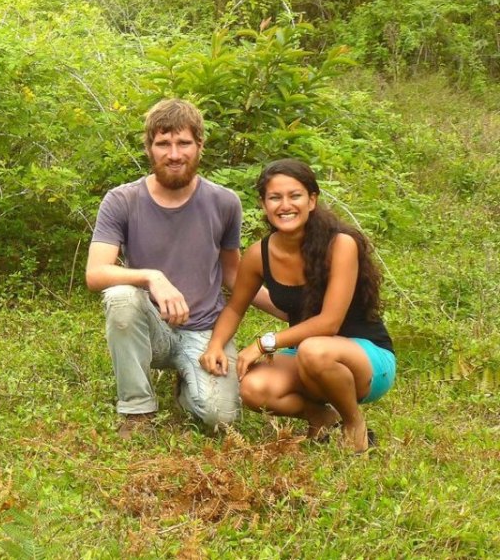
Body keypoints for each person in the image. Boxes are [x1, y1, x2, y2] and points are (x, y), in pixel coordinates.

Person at [86, 99, 279, 437]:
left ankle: (187, 387)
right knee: (120, 296)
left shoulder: (224, 202)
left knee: (219, 418)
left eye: (183, 143)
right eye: (163, 144)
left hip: (204, 331)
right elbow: (96, 273)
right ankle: (137, 410)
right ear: (149, 149)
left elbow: (233, 274)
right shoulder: (122, 200)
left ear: (200, 146)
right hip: (151, 329)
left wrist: (292, 310)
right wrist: (151, 276)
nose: (174, 154)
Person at [199, 158, 396, 453]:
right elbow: (235, 308)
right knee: (252, 387)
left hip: (364, 357)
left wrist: (265, 343)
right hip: (306, 354)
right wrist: (215, 345)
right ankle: (320, 416)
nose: (285, 205)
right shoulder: (258, 254)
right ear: (264, 205)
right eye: (275, 197)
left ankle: (354, 422)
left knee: (315, 350)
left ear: (312, 200)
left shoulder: (340, 244)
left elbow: (329, 323)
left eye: (295, 195)